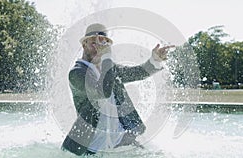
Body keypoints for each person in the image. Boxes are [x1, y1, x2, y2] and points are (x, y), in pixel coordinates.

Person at [61, 23, 174, 156]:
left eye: (103, 43)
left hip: (119, 140)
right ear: (84, 44)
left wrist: (154, 60)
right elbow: (103, 91)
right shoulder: (76, 74)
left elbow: (138, 72)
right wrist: (107, 57)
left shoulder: (110, 69)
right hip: (92, 146)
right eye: (94, 42)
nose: (99, 46)